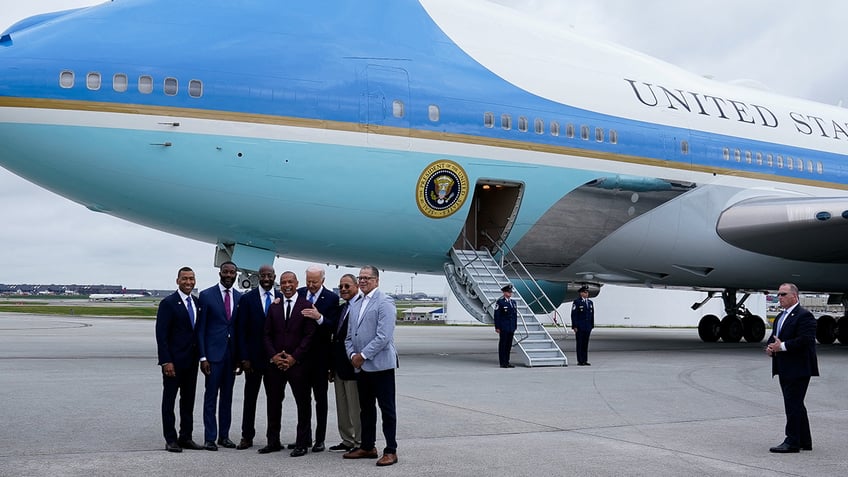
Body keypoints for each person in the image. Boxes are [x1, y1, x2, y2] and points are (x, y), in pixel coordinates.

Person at [343, 266, 399, 466]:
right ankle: (367, 446)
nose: (363, 281)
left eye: (367, 278)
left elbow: (384, 336)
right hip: (361, 367)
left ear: (376, 280)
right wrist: (352, 355)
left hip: (381, 365)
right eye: (360, 278)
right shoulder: (356, 304)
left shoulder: (385, 302)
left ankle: (391, 450)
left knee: (387, 409)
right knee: (365, 409)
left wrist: (363, 355)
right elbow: (349, 336)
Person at [261, 271, 317, 457]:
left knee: (303, 404)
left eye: (290, 282)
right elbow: (266, 334)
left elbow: (310, 336)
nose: (286, 285)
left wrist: (294, 357)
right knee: (273, 403)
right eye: (283, 282)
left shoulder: (306, 305)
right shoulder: (274, 306)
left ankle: (302, 443)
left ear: (296, 283)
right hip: (275, 365)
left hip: (298, 365)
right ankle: (273, 441)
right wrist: (274, 356)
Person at [233, 264, 282, 450]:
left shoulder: (280, 297)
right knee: (250, 399)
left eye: (270, 276)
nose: (267, 279)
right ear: (259, 277)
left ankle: (273, 438)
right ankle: (247, 436)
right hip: (252, 361)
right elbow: (241, 330)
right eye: (263, 276)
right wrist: (243, 357)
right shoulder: (247, 299)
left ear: (274, 276)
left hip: (274, 360)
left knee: (275, 400)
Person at [765, 283, 819, 453]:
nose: (779, 297)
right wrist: (771, 347)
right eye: (778, 294)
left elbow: (806, 340)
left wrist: (782, 347)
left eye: (783, 294)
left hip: (799, 367)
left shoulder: (804, 316)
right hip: (784, 367)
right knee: (796, 404)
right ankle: (804, 440)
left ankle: (792, 442)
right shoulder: (781, 316)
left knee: (792, 404)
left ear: (794, 296)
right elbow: (775, 338)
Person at [155, 266, 203, 453]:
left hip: (191, 362)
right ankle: (170, 438)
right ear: (177, 281)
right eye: (185, 279)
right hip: (173, 363)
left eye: (191, 279)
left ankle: (186, 437)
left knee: (188, 401)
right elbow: (162, 335)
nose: (188, 282)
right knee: (169, 401)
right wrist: (166, 361)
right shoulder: (168, 303)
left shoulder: (198, 303)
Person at [197, 261, 242, 450]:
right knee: (210, 398)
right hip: (213, 356)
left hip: (231, 356)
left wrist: (240, 358)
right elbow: (200, 329)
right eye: (226, 272)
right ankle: (210, 437)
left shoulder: (240, 297)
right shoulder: (206, 295)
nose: (229, 275)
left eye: (232, 272)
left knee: (227, 398)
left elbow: (240, 329)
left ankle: (224, 436)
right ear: (220, 273)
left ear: (236, 274)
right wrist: (203, 357)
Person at [296, 265, 341, 453]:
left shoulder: (331, 298)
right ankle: (304, 438)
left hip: (321, 358)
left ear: (323, 280)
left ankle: (319, 439)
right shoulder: (299, 294)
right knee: (302, 400)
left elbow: (334, 326)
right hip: (301, 357)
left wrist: (319, 317)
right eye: (308, 281)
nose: (311, 285)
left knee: (320, 401)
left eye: (315, 281)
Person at [328, 273, 362, 453]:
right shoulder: (342, 308)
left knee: (355, 407)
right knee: (342, 406)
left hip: (353, 365)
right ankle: (347, 440)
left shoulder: (362, 306)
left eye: (347, 286)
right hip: (339, 365)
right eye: (341, 286)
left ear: (356, 286)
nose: (343, 289)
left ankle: (359, 442)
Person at [493, 284, 517, 368]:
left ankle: (507, 361)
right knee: (503, 345)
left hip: (511, 327)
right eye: (508, 292)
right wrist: (497, 327)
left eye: (510, 292)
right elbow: (497, 315)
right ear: (504, 292)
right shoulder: (500, 302)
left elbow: (514, 315)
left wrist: (514, 326)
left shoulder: (513, 302)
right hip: (504, 327)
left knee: (508, 345)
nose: (510, 293)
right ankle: (502, 362)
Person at [571, 285, 595, 366]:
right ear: (581, 293)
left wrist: (591, 325)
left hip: (587, 326)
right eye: (585, 292)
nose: (586, 294)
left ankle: (585, 360)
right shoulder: (577, 302)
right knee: (580, 344)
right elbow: (574, 315)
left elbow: (592, 315)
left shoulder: (590, 303)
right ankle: (580, 360)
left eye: (587, 292)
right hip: (580, 326)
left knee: (585, 344)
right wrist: (574, 326)